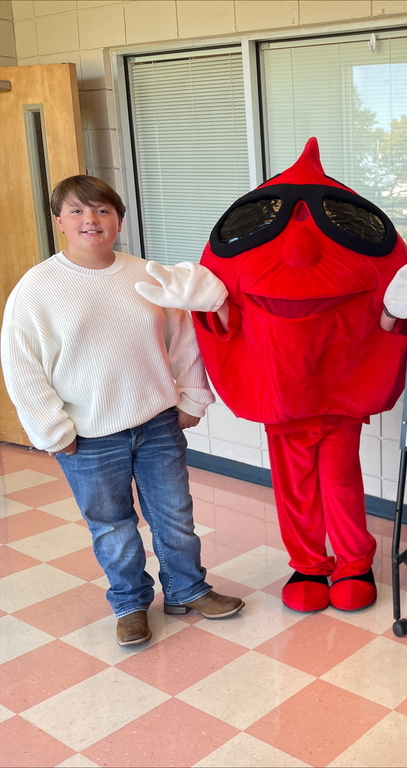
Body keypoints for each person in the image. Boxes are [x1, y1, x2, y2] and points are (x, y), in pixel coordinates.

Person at [1, 175, 244, 648]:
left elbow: (184, 340)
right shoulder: (37, 289)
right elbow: (22, 367)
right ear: (59, 222)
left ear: (118, 221)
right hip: (88, 436)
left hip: (156, 424)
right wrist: (53, 432)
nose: (90, 220)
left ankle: (187, 589)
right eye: (77, 211)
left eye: (102, 211)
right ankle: (131, 604)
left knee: (175, 514)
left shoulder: (147, 276)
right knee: (112, 525)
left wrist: (193, 397)